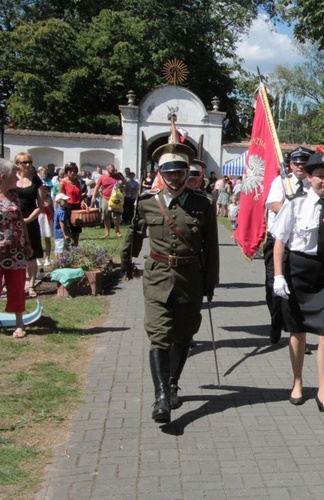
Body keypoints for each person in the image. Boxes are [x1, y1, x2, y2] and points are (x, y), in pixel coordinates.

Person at [121, 141, 220, 424]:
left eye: (179, 172)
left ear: (187, 172)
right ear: (160, 173)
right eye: (168, 172)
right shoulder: (146, 203)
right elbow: (134, 234)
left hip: (191, 279)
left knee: (184, 336)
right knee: (159, 336)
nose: (174, 177)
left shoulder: (203, 204)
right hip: (157, 278)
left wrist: (211, 282)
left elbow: (211, 247)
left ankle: (173, 382)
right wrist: (126, 263)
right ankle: (162, 396)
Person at [271, 152, 324, 419]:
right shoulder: (295, 203)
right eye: (320, 176)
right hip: (297, 271)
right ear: (310, 177)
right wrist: (278, 276)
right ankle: (297, 381)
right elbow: (280, 242)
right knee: (298, 333)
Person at [264, 146, 313, 344]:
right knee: (272, 287)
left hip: (300, 242)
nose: (300, 166)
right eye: (296, 163)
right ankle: (276, 322)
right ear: (290, 165)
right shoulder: (280, 182)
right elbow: (275, 205)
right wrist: (293, 208)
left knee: (299, 289)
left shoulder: (312, 184)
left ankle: (298, 334)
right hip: (277, 240)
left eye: (304, 163)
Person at [0, 159, 34, 338]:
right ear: (3, 177)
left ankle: (19, 324)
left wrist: (27, 243)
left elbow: (21, 220)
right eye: (14, 174)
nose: (17, 177)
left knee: (17, 287)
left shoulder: (13, 195)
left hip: (16, 250)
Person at [14, 152, 45, 298]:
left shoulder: (36, 181)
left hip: (30, 222)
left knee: (32, 254)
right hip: (13, 222)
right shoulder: (11, 179)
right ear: (17, 164)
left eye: (29, 162)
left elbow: (40, 205)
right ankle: (13, 285)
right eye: (24, 162)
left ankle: (31, 286)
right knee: (13, 253)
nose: (27, 165)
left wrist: (28, 220)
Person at [57, 162, 87, 247]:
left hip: (77, 207)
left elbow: (79, 195)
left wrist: (82, 201)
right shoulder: (63, 182)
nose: (72, 172)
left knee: (76, 230)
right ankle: (68, 249)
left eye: (74, 170)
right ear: (66, 172)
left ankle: (76, 247)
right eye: (70, 171)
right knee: (67, 231)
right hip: (67, 207)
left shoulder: (77, 182)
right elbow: (59, 197)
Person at [93, 164, 126, 238]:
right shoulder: (102, 177)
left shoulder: (118, 177)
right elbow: (97, 187)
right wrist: (93, 196)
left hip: (116, 199)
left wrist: (121, 186)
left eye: (114, 169)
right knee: (105, 215)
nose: (114, 171)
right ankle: (107, 233)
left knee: (116, 216)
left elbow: (124, 186)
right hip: (106, 198)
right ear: (107, 169)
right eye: (112, 170)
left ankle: (117, 231)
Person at [53, 193, 72, 259]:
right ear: (59, 201)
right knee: (61, 249)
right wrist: (65, 234)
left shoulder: (57, 210)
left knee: (57, 248)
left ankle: (57, 262)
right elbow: (62, 223)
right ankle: (61, 262)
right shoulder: (62, 212)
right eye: (64, 201)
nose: (66, 202)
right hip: (61, 233)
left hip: (56, 232)